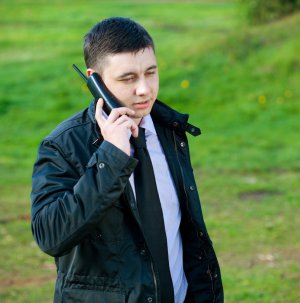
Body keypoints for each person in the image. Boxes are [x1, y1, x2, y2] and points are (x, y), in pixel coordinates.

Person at [30, 17, 223, 303]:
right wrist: (111, 156)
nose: (144, 89)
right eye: (128, 78)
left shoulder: (169, 130)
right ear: (95, 80)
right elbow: (50, 235)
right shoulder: (64, 145)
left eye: (151, 73)